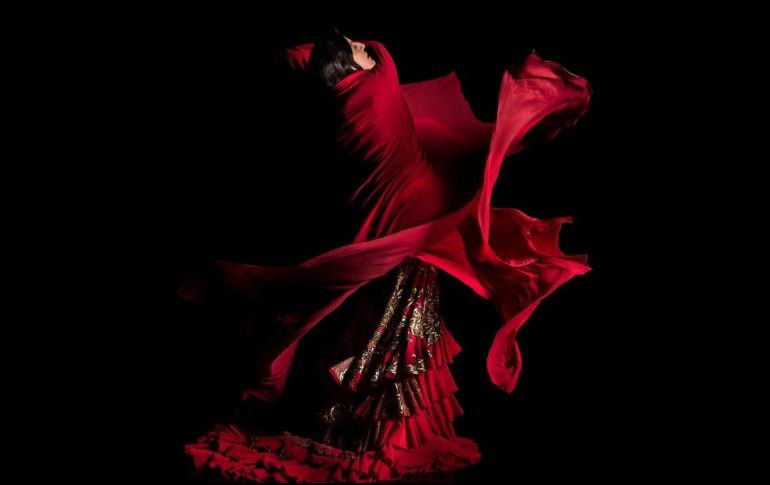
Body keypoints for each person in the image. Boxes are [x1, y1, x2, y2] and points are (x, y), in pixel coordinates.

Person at [183, 27, 592, 482]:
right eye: (355, 50)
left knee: (399, 306)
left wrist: (313, 56)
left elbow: (315, 59)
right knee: (407, 304)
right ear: (350, 71)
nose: (364, 45)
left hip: (385, 207)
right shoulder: (370, 89)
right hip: (409, 213)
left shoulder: (339, 93)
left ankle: (374, 422)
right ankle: (380, 433)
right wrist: (308, 54)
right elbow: (375, 52)